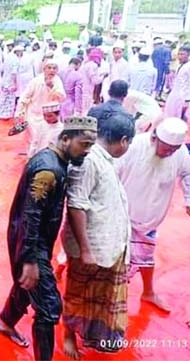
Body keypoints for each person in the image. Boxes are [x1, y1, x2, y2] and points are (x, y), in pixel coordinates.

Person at [0, 116, 97, 361]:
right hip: (31, 243)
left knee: (27, 286)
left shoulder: (58, 161)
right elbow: (31, 216)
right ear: (65, 139)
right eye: (84, 144)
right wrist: (29, 260)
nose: (87, 151)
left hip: (36, 240)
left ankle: (5, 322)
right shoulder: (48, 171)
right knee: (49, 307)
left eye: (90, 145)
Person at [62, 112, 135, 358]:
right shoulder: (89, 160)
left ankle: (95, 336)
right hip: (91, 246)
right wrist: (85, 249)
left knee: (101, 295)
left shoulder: (105, 160)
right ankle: (68, 335)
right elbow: (76, 204)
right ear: (124, 141)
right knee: (78, 292)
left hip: (108, 244)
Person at [116, 117, 190, 312]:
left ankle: (148, 293)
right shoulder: (133, 146)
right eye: (166, 149)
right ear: (154, 138)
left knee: (145, 255)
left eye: (173, 149)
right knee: (118, 264)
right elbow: (110, 174)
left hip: (151, 219)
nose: (169, 153)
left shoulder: (179, 152)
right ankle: (110, 302)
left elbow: (189, 175)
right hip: (122, 216)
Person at [164, 46, 190, 120]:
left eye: (182, 54)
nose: (180, 56)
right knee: (170, 115)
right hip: (175, 93)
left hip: (183, 96)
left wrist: (188, 100)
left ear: (188, 55)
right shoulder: (179, 65)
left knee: (181, 117)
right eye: (179, 54)